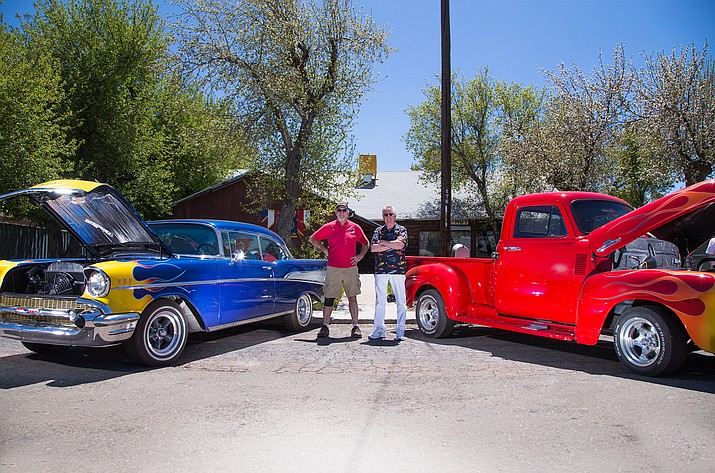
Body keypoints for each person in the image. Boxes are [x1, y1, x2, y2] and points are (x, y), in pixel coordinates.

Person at [309, 202, 369, 338]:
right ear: (336, 213)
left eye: (344, 210)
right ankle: (325, 326)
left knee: (352, 297)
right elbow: (312, 238)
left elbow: (365, 243)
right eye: (339, 210)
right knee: (329, 297)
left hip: (350, 269)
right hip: (333, 268)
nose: (341, 212)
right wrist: (324, 250)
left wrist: (360, 256)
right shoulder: (329, 227)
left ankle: (355, 327)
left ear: (348, 213)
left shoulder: (355, 228)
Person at [368, 205, 408, 341]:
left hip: (398, 269)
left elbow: (400, 245)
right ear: (382, 217)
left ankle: (400, 329)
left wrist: (383, 243)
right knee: (380, 301)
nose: (388, 217)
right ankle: (379, 329)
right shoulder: (378, 231)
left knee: (401, 301)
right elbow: (373, 248)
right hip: (381, 269)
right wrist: (392, 243)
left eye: (390, 214)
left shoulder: (401, 230)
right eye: (385, 215)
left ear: (395, 216)